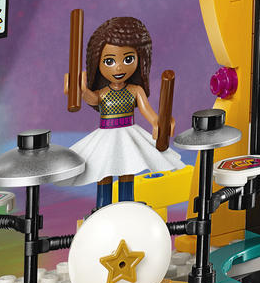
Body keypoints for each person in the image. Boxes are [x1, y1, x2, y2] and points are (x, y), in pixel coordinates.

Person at [72, 14, 183, 209]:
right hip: (106, 135)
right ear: (98, 62)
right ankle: (103, 206)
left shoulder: (135, 90)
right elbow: (91, 98)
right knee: (103, 170)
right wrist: (80, 89)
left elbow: (148, 112)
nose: (119, 67)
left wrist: (160, 123)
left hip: (128, 133)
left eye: (128, 59)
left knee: (127, 167)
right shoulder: (103, 92)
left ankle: (127, 204)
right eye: (109, 61)